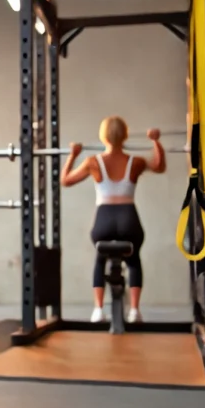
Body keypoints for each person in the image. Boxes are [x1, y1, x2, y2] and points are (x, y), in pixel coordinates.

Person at [60, 116, 166, 323]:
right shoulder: (136, 162)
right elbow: (159, 166)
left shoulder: (93, 162)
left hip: (104, 222)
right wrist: (155, 141)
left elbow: (65, 180)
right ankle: (134, 311)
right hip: (129, 220)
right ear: (125, 136)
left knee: (100, 260)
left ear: (103, 136)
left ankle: (98, 310)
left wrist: (73, 155)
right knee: (133, 261)